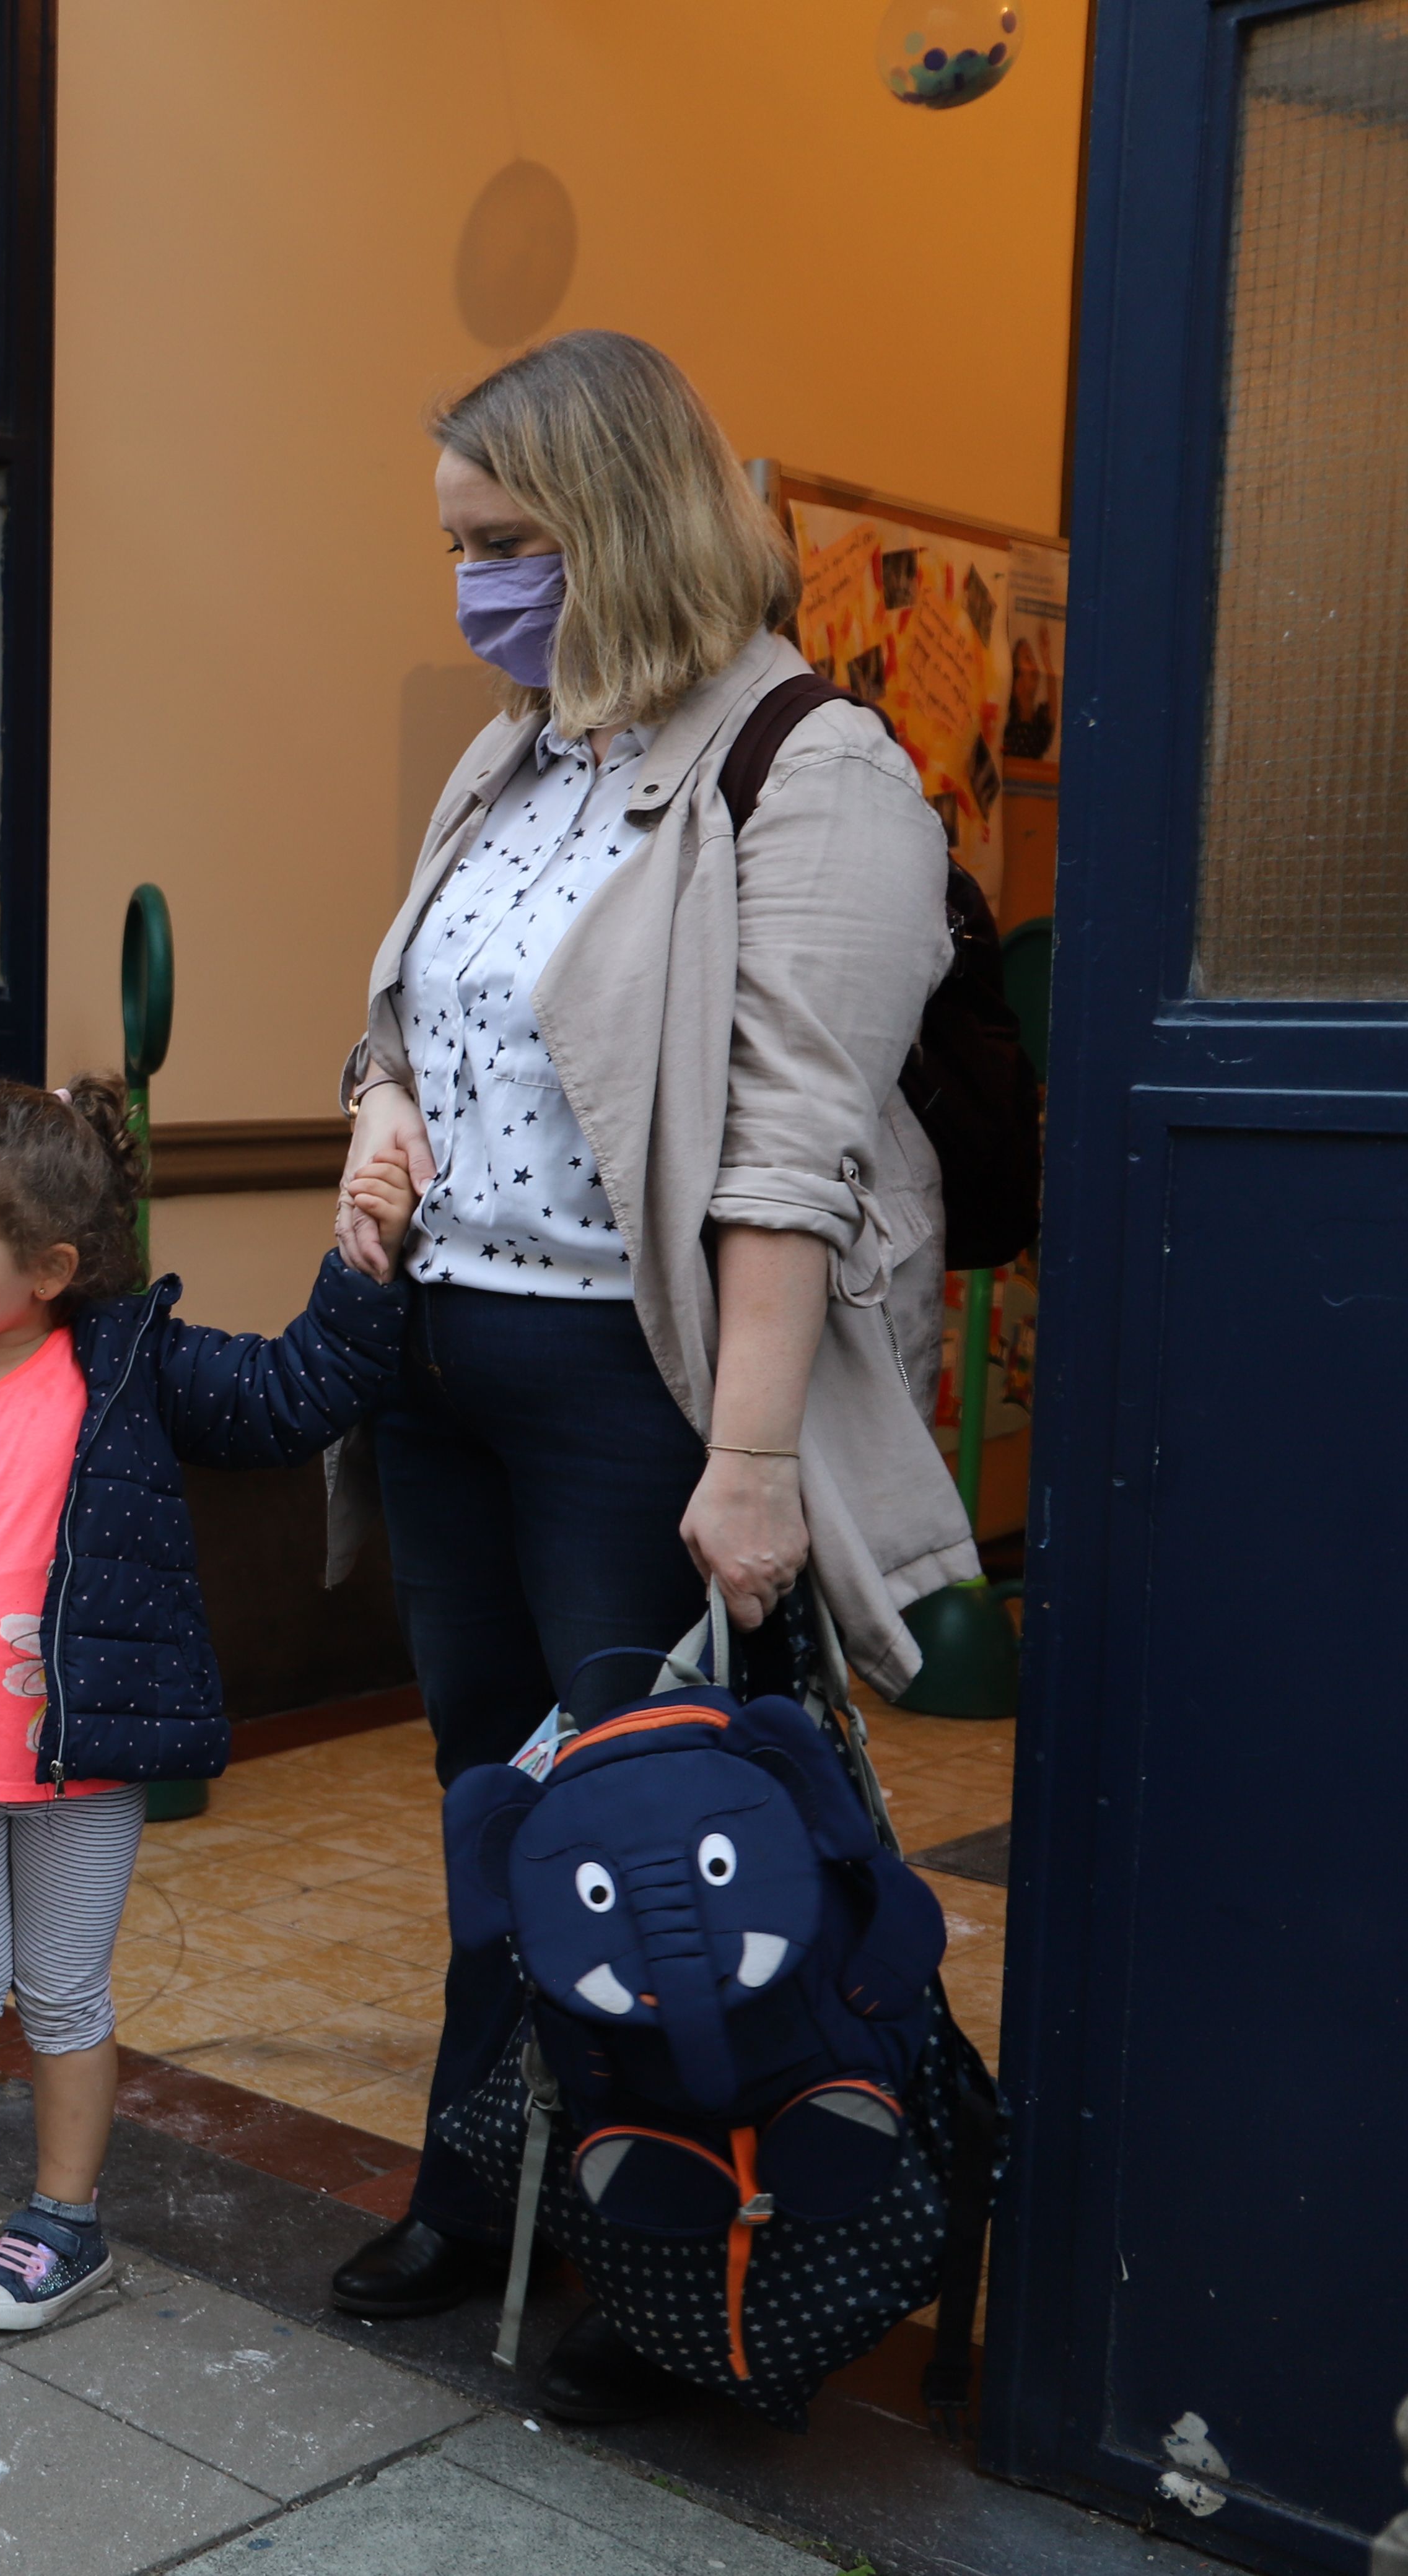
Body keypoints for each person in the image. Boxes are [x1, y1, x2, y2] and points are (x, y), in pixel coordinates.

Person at [316, 331, 973, 2420]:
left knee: (655, 1840)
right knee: (491, 1807)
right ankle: (480, 2161)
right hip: (448, 1362)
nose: (477, 588)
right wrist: (370, 1116)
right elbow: (407, 1006)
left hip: (640, 1386)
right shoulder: (513, 753)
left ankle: (675, 2244)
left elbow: (793, 1146)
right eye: (458, 547)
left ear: (626, 524)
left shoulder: (817, 764)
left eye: (509, 543)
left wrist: (755, 1455)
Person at [0, 1076, 408, 2330]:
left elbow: (292, 1395)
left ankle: (64, 2225)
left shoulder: (129, 1374)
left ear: (54, 1266)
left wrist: (363, 1269)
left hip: (85, 1757)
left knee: (62, 1991)